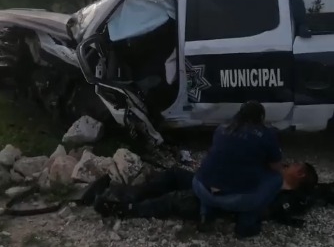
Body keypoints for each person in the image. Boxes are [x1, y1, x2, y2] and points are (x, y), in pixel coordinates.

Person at [90, 162, 320, 229]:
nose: (287, 164)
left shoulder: (281, 197)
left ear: (299, 174)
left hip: (219, 202)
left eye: (294, 165)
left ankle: (124, 210)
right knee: (174, 174)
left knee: (175, 199)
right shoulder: (273, 177)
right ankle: (133, 195)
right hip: (214, 184)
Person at [192, 101, 284, 238]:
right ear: (261, 117)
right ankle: (246, 225)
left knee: (215, 171)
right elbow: (276, 167)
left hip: (200, 188)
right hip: (236, 200)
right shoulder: (266, 135)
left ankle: (206, 215)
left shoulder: (221, 128)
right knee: (277, 179)